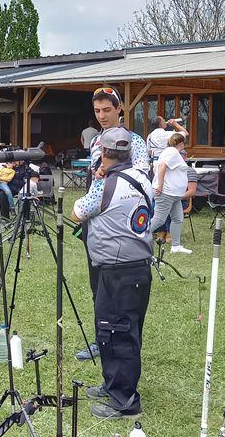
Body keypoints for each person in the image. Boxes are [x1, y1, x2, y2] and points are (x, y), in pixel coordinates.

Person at [71, 128, 153, 420]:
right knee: (125, 331)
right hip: (138, 267)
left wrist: (97, 179)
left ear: (103, 153)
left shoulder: (106, 186)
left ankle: (124, 401)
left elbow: (78, 212)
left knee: (116, 333)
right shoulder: (143, 178)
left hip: (117, 269)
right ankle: (113, 384)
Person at [77, 86, 150, 361]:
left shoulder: (135, 140)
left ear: (119, 109)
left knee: (122, 286)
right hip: (95, 215)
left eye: (107, 110)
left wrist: (110, 173)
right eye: (97, 111)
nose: (102, 116)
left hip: (121, 218)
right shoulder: (96, 140)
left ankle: (128, 339)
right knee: (97, 282)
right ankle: (102, 338)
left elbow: (142, 176)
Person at [151, 133, 192, 254]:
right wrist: (160, 185)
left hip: (174, 194)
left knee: (178, 218)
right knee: (159, 220)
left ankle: (176, 246)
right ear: (181, 143)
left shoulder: (169, 152)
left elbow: (156, 168)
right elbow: (162, 166)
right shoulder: (172, 152)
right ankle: (136, 238)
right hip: (167, 193)